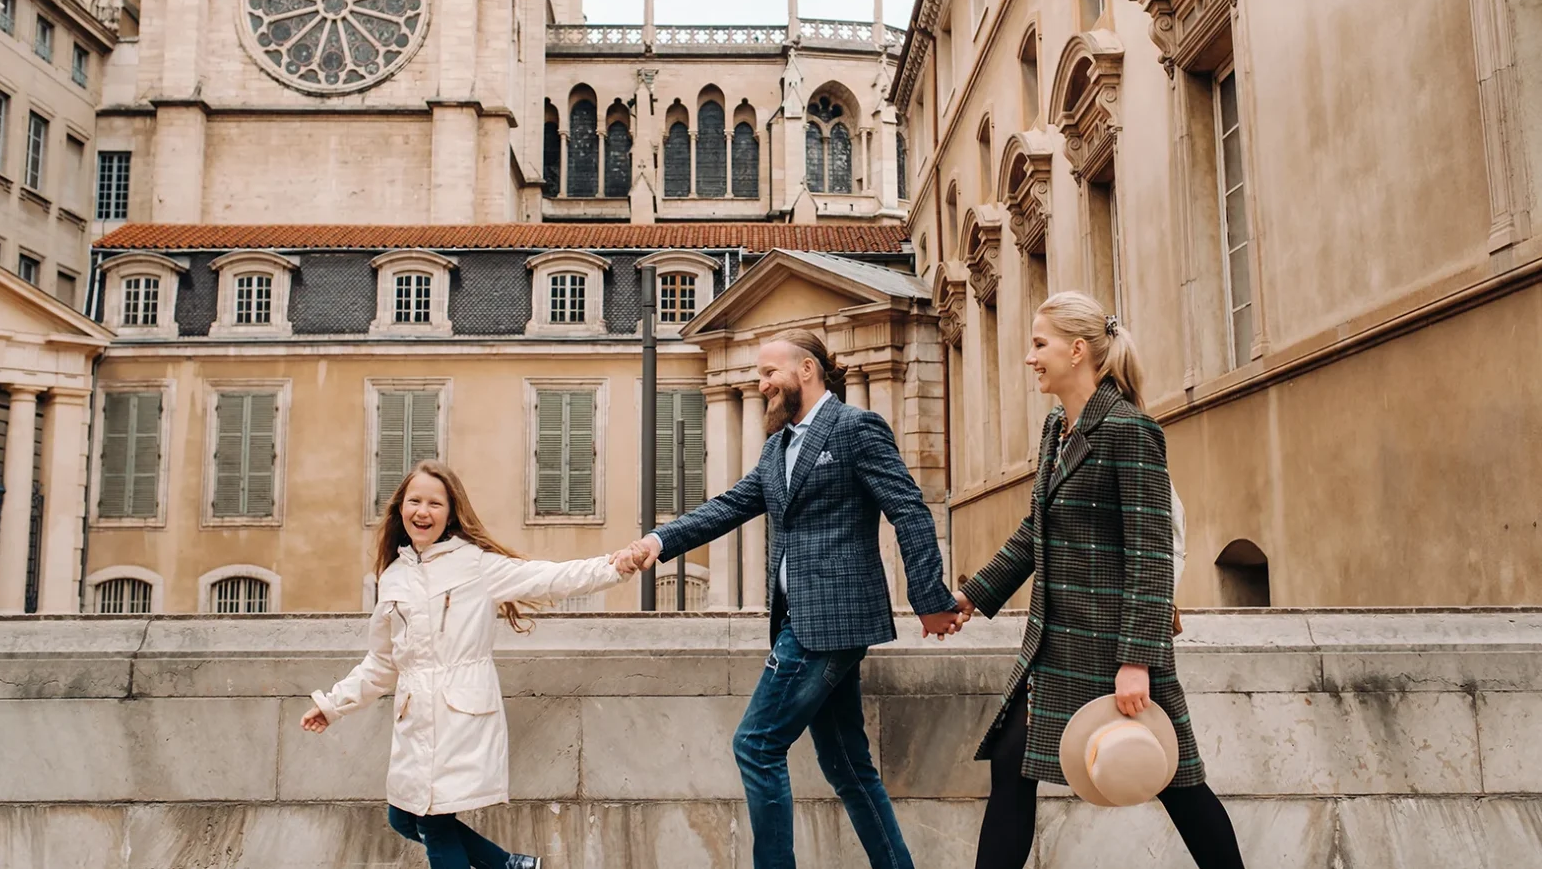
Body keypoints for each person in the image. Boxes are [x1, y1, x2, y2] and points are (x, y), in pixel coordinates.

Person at [625, 328, 964, 869]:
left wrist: (929, 597)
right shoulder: (778, 445)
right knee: (848, 767)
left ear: (806, 370)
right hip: (803, 621)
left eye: (768, 373)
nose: (760, 384)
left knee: (756, 746)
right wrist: (658, 540)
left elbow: (909, 510)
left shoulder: (856, 428)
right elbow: (730, 505)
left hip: (831, 621)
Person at [952, 292, 1245, 868]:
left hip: (1114, 649)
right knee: (1012, 771)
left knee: (1175, 783)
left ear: (1078, 350)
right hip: (1053, 645)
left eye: (1040, 345)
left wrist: (1136, 660)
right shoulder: (1058, 427)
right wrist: (970, 595)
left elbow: (1151, 552)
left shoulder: (1129, 430)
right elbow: (1034, 532)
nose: (1030, 358)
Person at [301, 460, 639, 869]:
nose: (422, 512)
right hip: (414, 719)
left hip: (458, 714)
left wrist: (612, 567)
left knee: (434, 822)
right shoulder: (392, 577)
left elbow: (548, 578)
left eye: (434, 503)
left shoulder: (475, 564)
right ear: (400, 509)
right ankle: (509, 866)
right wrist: (333, 704)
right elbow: (382, 661)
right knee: (403, 816)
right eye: (414, 501)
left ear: (450, 512)